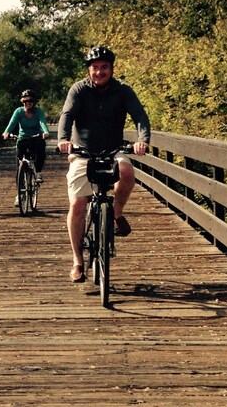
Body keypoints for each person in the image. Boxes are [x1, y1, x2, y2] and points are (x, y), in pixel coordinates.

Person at [57, 46, 150, 283]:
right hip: (82, 152)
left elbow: (139, 115)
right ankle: (78, 261)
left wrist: (142, 141)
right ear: (89, 70)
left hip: (113, 149)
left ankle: (115, 214)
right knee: (78, 203)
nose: (99, 72)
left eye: (104, 67)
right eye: (95, 68)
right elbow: (67, 115)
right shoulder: (78, 90)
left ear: (111, 69)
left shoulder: (123, 91)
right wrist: (64, 140)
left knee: (127, 171)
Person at [1, 89, 51, 206]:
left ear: (34, 102)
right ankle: (20, 194)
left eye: (30, 101)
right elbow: (12, 123)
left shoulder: (38, 112)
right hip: (22, 138)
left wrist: (46, 132)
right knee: (19, 166)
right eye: (25, 101)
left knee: (40, 149)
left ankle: (38, 172)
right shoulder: (18, 111)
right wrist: (6, 132)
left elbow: (42, 122)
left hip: (36, 137)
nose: (27, 103)